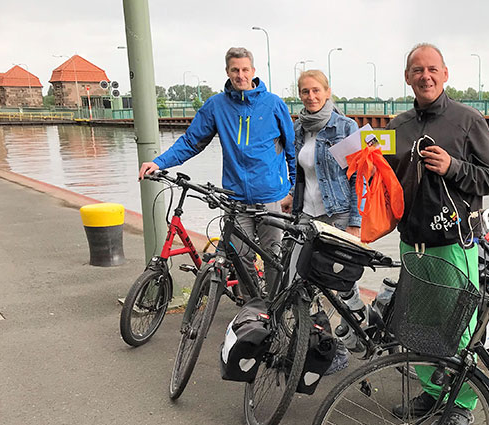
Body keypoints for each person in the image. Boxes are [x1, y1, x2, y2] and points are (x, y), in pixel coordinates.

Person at [385, 43, 489, 425]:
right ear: (407, 77)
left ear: (446, 73)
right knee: (417, 324)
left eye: (432, 69)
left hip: (454, 242)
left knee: (458, 327)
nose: (425, 76)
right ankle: (434, 392)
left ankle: (463, 404)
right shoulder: (396, 126)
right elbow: (382, 182)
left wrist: (453, 167)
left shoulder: (468, 120)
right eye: (417, 70)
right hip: (411, 242)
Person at [139, 47, 295, 298]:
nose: (240, 75)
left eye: (245, 70)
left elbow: (291, 149)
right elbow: (191, 142)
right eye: (235, 70)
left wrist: (292, 190)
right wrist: (159, 163)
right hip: (235, 197)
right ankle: (252, 308)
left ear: (253, 71)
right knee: (240, 256)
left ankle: (276, 306)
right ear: (227, 72)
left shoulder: (274, 104)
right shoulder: (216, 105)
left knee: (272, 255)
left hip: (271, 195)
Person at [292, 69, 360, 375]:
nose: (311, 96)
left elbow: (359, 177)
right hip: (307, 214)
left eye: (316, 90)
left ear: (328, 91)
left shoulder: (345, 127)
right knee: (301, 281)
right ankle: (323, 346)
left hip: (337, 214)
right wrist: (291, 203)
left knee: (340, 286)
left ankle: (354, 338)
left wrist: (355, 222)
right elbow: (302, 176)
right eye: (305, 92)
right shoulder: (299, 129)